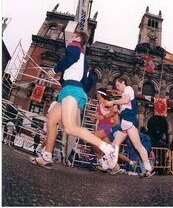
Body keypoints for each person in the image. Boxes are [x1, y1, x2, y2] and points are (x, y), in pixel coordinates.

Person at [30, 30, 115, 169]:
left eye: (72, 36)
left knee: (70, 128)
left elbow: (69, 58)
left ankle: (107, 149)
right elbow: (88, 82)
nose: (70, 39)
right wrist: (72, 85)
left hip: (71, 90)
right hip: (70, 90)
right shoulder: (85, 60)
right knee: (51, 120)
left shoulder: (75, 45)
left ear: (77, 38)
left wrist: (55, 69)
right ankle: (46, 156)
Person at [104, 78, 154, 178]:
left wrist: (113, 102)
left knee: (138, 145)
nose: (117, 87)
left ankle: (148, 168)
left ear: (123, 82)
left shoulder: (128, 89)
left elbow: (126, 101)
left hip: (129, 122)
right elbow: (125, 110)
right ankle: (111, 165)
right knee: (114, 144)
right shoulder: (124, 94)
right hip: (124, 122)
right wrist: (116, 110)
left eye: (118, 85)